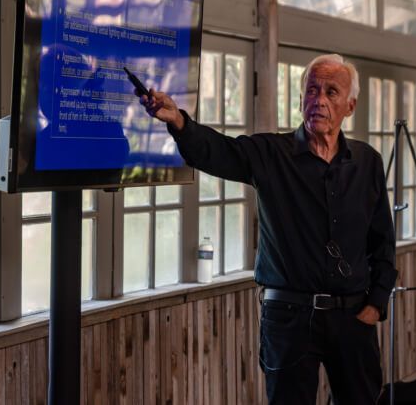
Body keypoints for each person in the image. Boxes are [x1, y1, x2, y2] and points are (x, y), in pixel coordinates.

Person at [136, 53, 397, 404]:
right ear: (301, 98)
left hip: (353, 316)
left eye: (331, 92)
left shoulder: (367, 162)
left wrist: (376, 303)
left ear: (350, 106)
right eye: (312, 90)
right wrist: (180, 122)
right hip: (289, 318)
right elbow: (219, 151)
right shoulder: (272, 153)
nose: (319, 99)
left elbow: (382, 242)